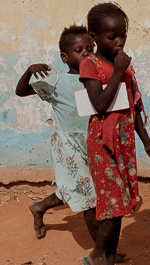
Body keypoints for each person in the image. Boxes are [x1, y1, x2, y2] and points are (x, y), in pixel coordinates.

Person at [77, 1, 150, 265]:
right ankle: (98, 256)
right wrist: (117, 72)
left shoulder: (124, 66)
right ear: (94, 37)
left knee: (123, 204)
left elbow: (133, 107)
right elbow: (99, 104)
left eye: (122, 36)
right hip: (103, 143)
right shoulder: (90, 64)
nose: (119, 42)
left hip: (125, 142)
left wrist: (147, 142)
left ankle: (110, 264)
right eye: (111, 37)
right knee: (113, 205)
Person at [15, 25, 96, 241]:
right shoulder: (57, 81)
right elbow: (21, 91)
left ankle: (39, 207)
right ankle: (103, 252)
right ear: (65, 57)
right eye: (79, 50)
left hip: (94, 143)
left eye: (90, 48)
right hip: (69, 145)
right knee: (88, 197)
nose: (86, 53)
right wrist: (28, 71)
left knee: (73, 189)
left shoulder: (99, 78)